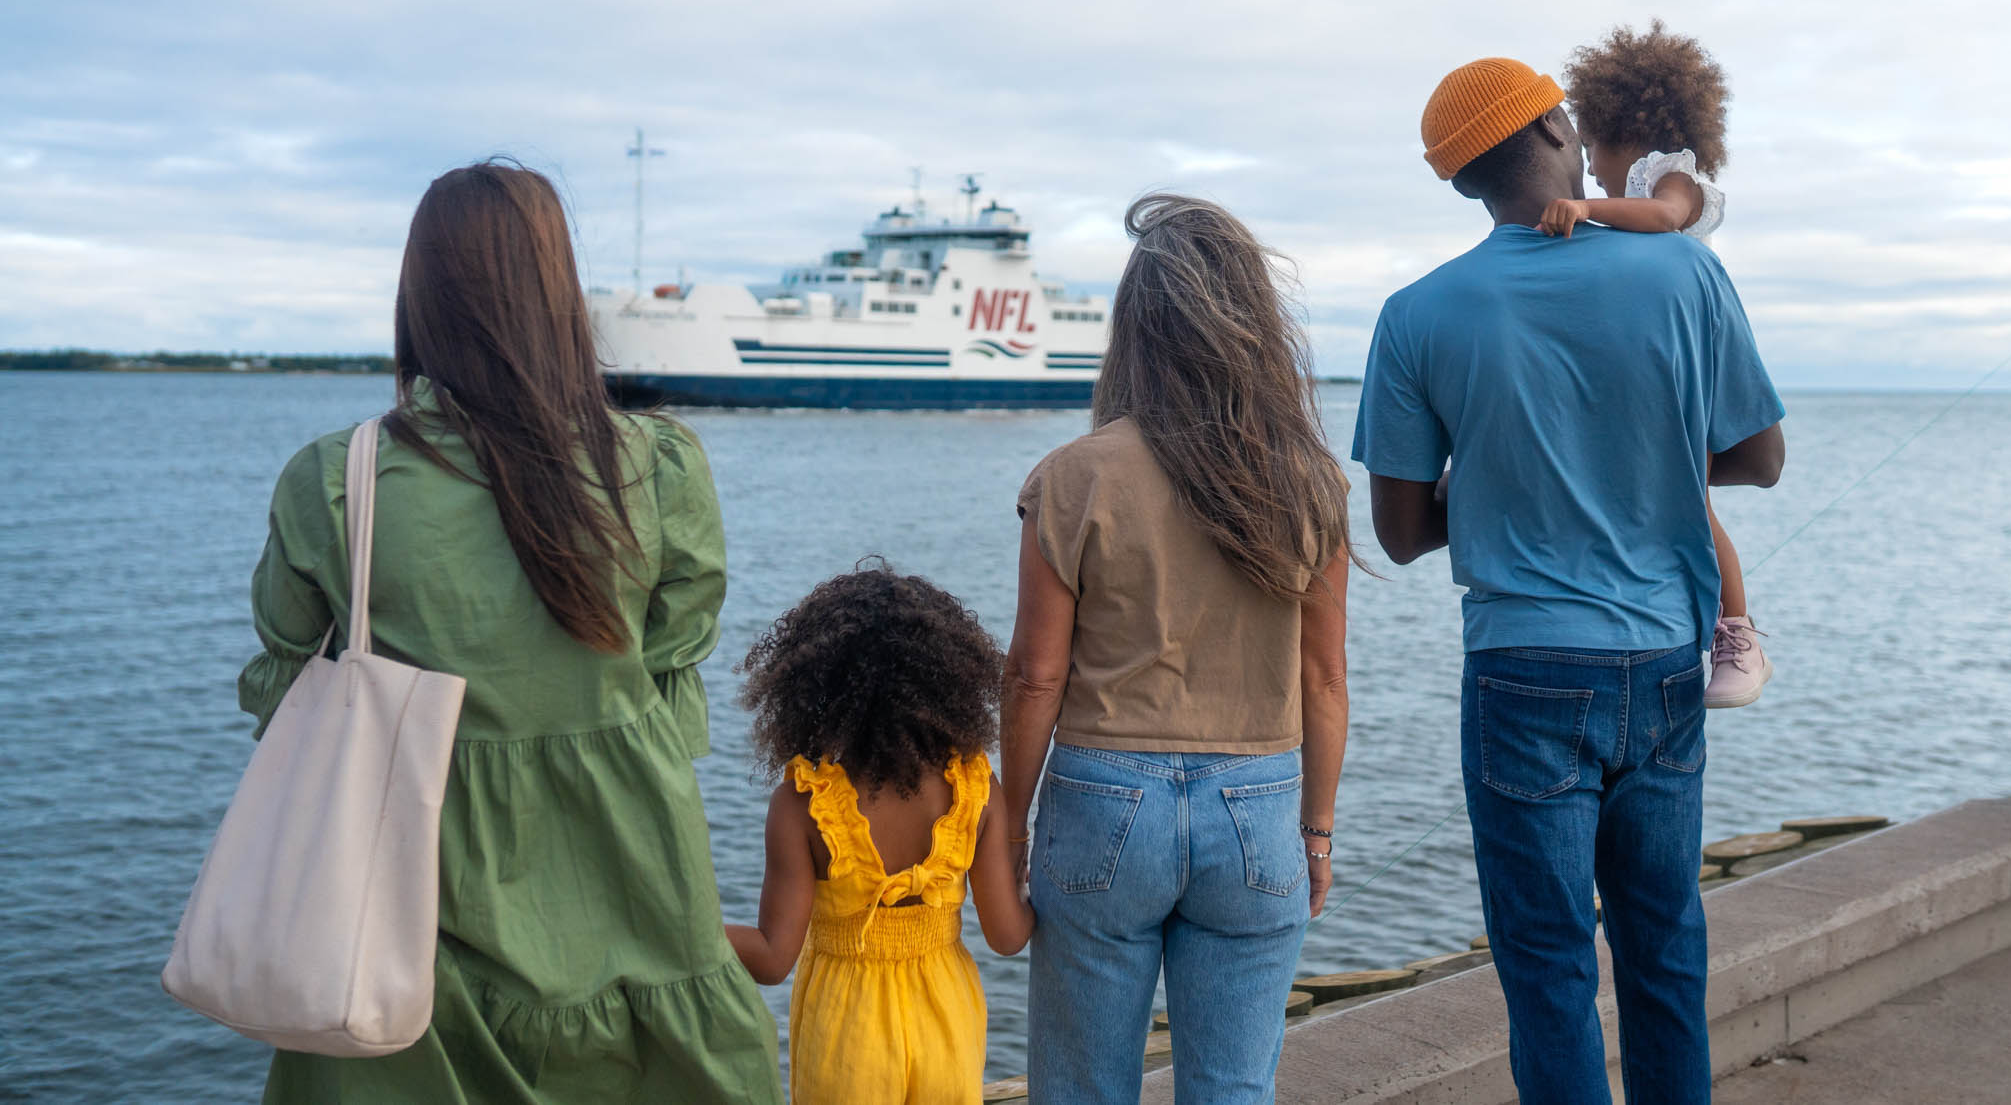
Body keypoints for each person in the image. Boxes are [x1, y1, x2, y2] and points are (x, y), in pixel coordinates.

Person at [238, 161, 782, 1103]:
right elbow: (668, 657)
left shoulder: (338, 481)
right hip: (630, 872)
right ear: (558, 291)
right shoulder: (656, 467)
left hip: (409, 886)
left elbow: (284, 691)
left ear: (419, 297)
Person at [1353, 59, 1785, 1105]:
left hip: (1522, 671)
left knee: (1547, 971)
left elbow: (1401, 533)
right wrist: (1641, 456)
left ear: (1461, 181)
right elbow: (1760, 458)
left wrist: (1501, 477)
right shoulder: (1682, 270)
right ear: (1555, 128)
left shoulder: (1415, 314)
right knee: (1664, 950)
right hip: (1663, 659)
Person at [1001, 192, 1355, 1105]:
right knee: (1233, 1089)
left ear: (1135, 328)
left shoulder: (1074, 476)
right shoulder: (1308, 480)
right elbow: (1324, 678)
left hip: (1102, 797)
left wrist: (1008, 823)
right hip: (1259, 804)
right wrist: (1316, 831)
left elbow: (1034, 676)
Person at [724, 564, 1033, 1104]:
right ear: (948, 684)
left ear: (818, 689)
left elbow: (772, 959)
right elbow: (1007, 938)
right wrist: (1027, 883)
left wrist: (683, 931)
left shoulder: (804, 806)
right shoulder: (975, 789)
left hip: (846, 1034)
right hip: (947, 1025)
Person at [1532, 21, 1769, 706]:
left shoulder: (1673, 175)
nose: (1589, 167)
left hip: (1690, 355)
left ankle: (1739, 633)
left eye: (1591, 148)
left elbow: (1664, 217)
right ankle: (1707, 620)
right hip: (1662, 353)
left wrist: (1584, 208)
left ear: (1624, 127)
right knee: (1678, 502)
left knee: (1694, 501)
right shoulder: (1641, 186)